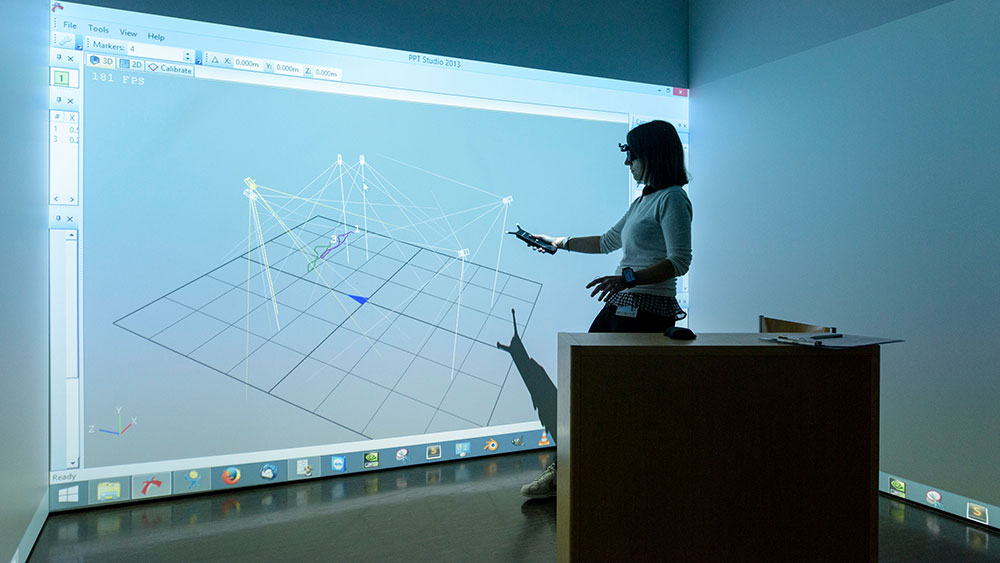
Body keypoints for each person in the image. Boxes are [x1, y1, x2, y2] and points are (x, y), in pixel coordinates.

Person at [518, 119, 692, 498]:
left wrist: (628, 278)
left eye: (632, 155)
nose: (627, 163)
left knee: (613, 400)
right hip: (622, 304)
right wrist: (557, 242)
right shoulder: (643, 201)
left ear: (652, 155)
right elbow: (606, 241)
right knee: (587, 389)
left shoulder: (673, 200)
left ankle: (592, 479)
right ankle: (568, 474)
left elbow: (679, 261)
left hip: (648, 312)